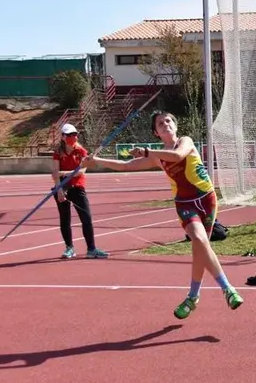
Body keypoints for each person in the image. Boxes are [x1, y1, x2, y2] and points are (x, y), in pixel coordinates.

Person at [82, 111, 243, 319]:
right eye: (160, 123)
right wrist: (97, 161)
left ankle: (193, 297)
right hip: (185, 204)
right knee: (200, 240)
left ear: (175, 126)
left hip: (207, 200)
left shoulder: (185, 141)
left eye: (168, 120)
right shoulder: (157, 157)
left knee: (200, 249)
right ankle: (227, 289)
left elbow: (177, 156)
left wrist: (148, 152)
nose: (165, 124)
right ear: (156, 132)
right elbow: (126, 165)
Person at [51, 124, 109, 260]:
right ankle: (69, 248)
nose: (74, 137)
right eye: (70, 135)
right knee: (65, 220)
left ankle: (91, 249)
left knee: (86, 219)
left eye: (75, 134)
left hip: (78, 188)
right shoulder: (58, 153)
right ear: (63, 137)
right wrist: (59, 190)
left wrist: (64, 173)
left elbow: (81, 171)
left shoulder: (81, 151)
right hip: (62, 188)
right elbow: (55, 173)